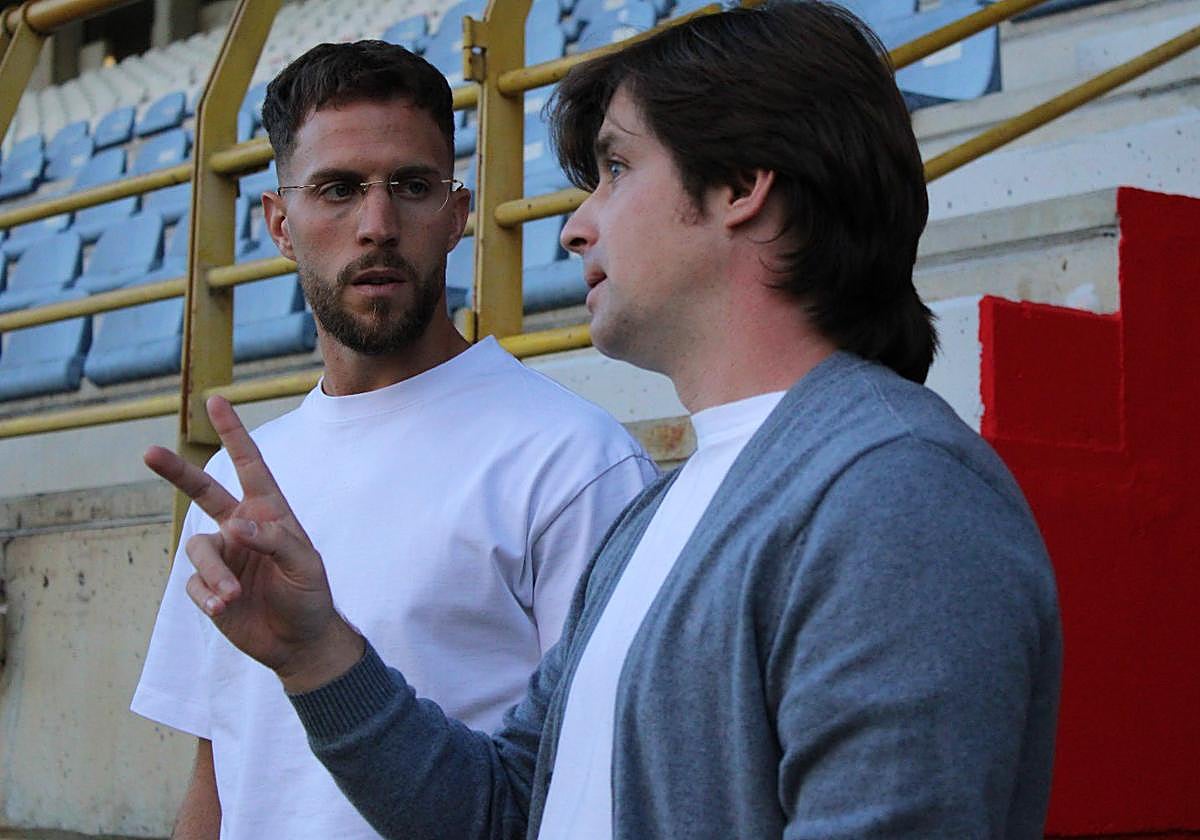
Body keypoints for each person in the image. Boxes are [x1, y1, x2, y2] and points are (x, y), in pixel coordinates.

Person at [144, 3, 1063, 838]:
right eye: (337, 191)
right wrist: (317, 657)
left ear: (741, 182)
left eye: (617, 168)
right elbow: (509, 814)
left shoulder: (895, 492)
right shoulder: (663, 514)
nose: (576, 227)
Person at [131, 41, 657, 840]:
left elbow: (606, 788)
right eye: (338, 190)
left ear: (457, 214)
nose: (377, 227)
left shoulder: (573, 462)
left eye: (411, 187)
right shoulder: (238, 484)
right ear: (279, 222)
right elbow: (222, 775)